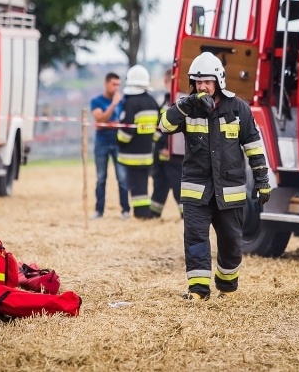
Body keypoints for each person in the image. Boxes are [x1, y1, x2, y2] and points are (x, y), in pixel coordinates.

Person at [159, 52, 271, 300]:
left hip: (229, 190)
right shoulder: (187, 108)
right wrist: (182, 106)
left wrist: (262, 179)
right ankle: (198, 291)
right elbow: (163, 126)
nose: (202, 87)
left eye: (206, 81)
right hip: (196, 190)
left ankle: (227, 287)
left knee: (231, 241)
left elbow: (253, 146)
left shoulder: (239, 108)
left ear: (218, 80)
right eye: (198, 82)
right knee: (196, 239)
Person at [116, 65, 160, 219]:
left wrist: (119, 141)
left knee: (136, 187)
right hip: (147, 153)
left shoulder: (130, 103)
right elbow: (158, 130)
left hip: (131, 155)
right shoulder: (153, 102)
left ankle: (142, 215)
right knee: (143, 185)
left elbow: (125, 133)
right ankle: (144, 213)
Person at [90, 72, 129, 219]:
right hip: (102, 144)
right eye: (114, 84)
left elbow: (122, 122)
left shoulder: (123, 101)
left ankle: (125, 210)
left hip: (118, 143)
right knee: (101, 178)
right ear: (106, 84)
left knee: (122, 177)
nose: (116, 88)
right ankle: (99, 211)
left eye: (118, 84)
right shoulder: (97, 101)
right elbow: (100, 121)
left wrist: (110, 124)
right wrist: (113, 105)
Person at [150, 69, 183, 219]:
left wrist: (168, 148)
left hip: (172, 155)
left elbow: (173, 129)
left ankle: (186, 216)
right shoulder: (167, 99)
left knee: (178, 186)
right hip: (161, 155)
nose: (167, 84)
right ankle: (154, 215)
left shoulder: (176, 102)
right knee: (160, 185)